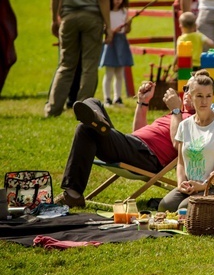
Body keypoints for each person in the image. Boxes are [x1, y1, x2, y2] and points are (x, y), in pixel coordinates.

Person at [54, 80, 191, 208]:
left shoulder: (194, 120)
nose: (187, 93)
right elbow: (138, 132)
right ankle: (101, 124)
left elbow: (177, 144)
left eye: (193, 90)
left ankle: (73, 194)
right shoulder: (177, 114)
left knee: (84, 129)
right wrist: (143, 102)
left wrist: (176, 111)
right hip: (133, 145)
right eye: (186, 88)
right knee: (91, 101)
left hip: (147, 157)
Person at [45, 0, 112, 118]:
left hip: (68, 17)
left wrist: (54, 19)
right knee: (90, 65)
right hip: (92, 18)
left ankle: (53, 109)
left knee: (66, 64)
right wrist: (108, 25)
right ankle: (84, 110)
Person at [158, 69, 214, 212]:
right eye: (199, 96)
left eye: (208, 96)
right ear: (190, 96)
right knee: (165, 206)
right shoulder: (184, 125)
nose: (204, 101)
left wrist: (204, 185)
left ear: (213, 96)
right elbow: (180, 162)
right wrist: (181, 183)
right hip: (190, 186)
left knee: (185, 208)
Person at [99, 0, 134, 107]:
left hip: (121, 42)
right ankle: (107, 99)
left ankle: (117, 98)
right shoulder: (106, 12)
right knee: (109, 73)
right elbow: (103, 28)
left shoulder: (124, 11)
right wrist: (110, 31)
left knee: (120, 73)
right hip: (110, 43)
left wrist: (128, 25)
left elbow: (127, 30)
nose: (118, 0)